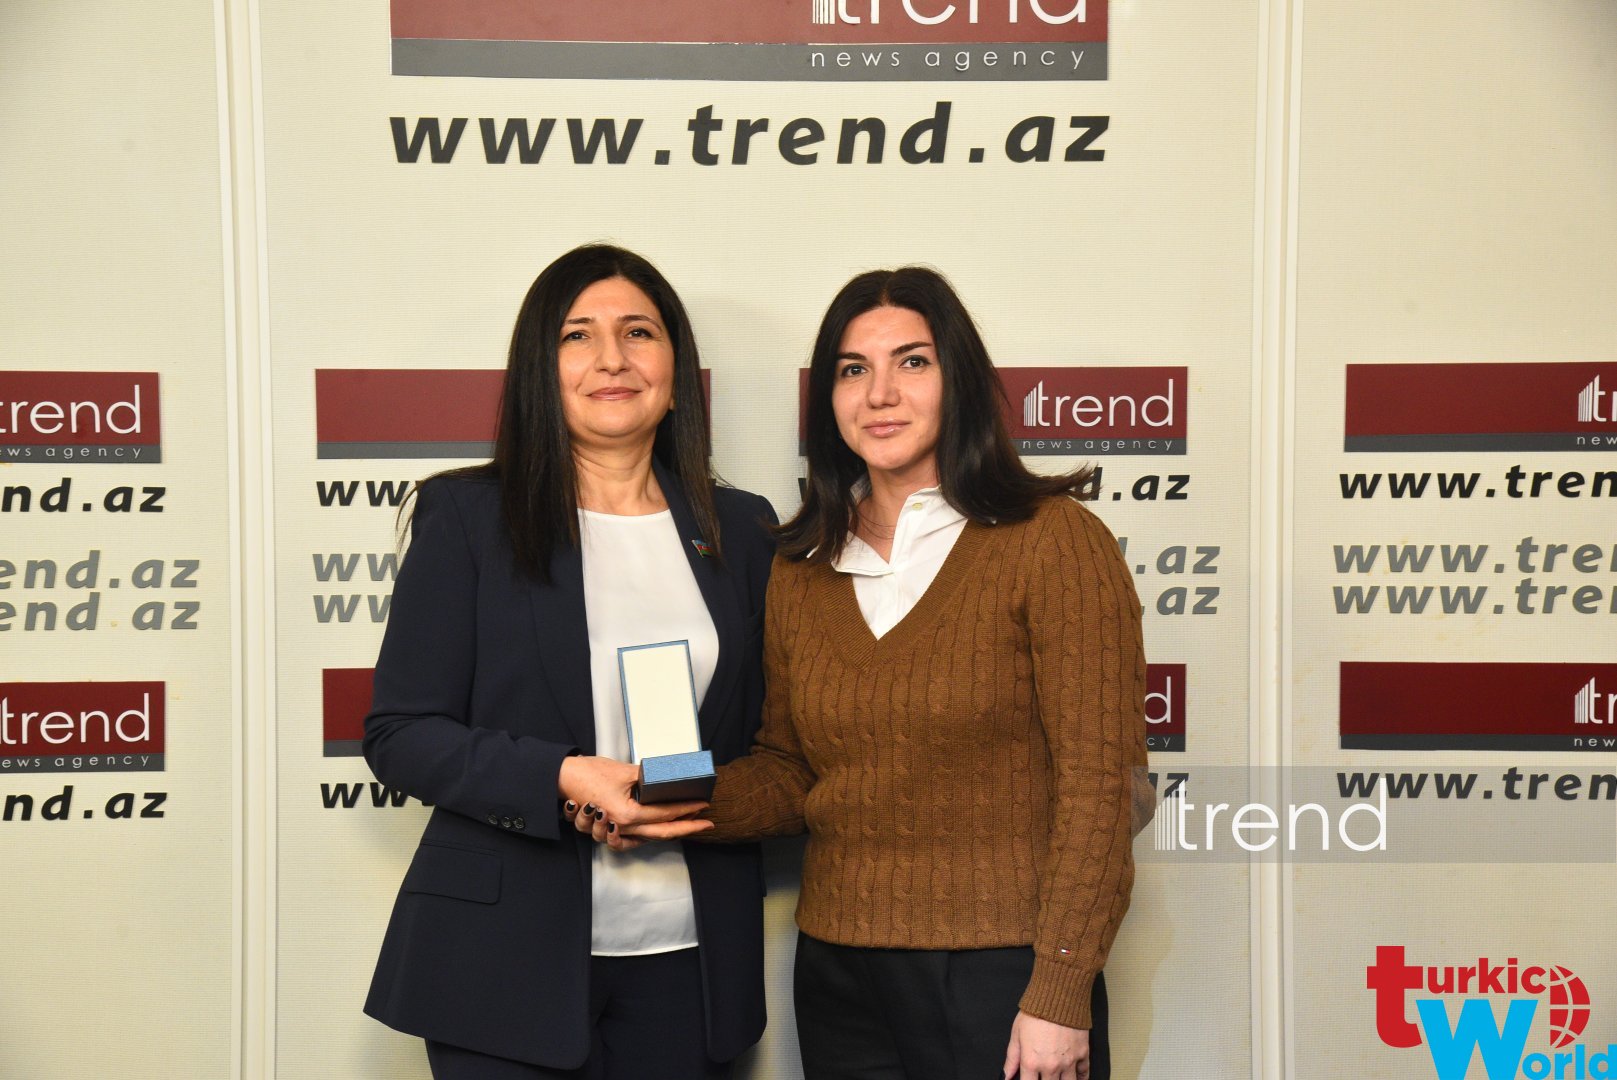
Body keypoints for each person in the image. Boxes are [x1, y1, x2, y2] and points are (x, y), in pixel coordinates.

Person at [591, 265, 1147, 1080]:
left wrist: (1060, 992)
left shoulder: (1052, 541)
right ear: (828, 399)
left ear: (960, 381)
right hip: (837, 972)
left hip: (1004, 972)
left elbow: (1102, 788)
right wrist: (655, 788)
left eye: (912, 362)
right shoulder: (804, 563)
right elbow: (789, 773)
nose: (880, 393)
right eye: (853, 370)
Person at [362, 244, 777, 1080]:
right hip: (502, 961)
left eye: (638, 332)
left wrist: (685, 793)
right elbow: (399, 732)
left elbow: (770, 737)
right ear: (538, 370)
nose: (611, 358)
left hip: (691, 961)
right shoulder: (468, 516)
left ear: (675, 369)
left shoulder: (742, 529)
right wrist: (562, 777)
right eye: (576, 335)